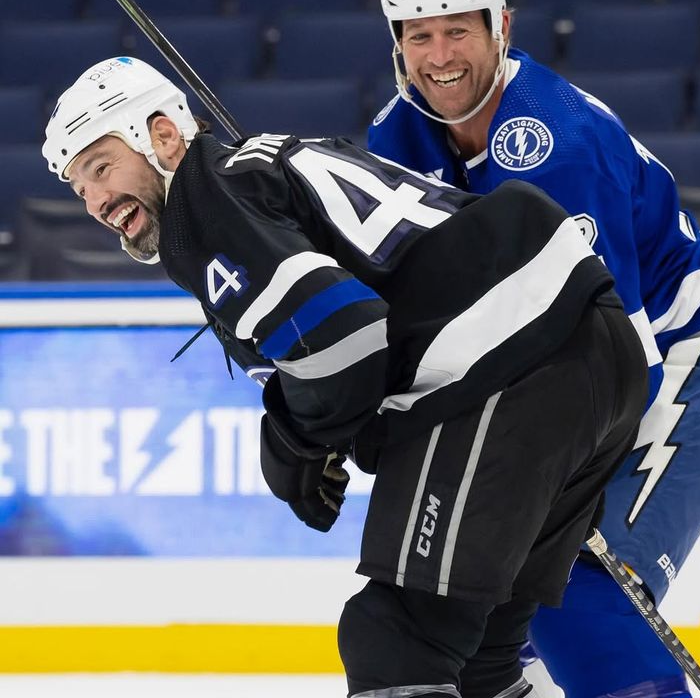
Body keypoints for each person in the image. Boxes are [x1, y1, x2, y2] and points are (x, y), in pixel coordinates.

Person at [43, 56, 648, 698]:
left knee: (396, 643)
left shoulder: (206, 203)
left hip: (510, 365)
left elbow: (341, 340)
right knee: (477, 660)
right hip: (585, 349)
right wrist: (314, 427)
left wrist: (293, 442)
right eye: (80, 188)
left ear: (163, 136)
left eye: (101, 168)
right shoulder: (252, 174)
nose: (97, 202)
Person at [367, 0, 700, 698]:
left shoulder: (557, 145)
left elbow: (618, 358)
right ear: (397, 45)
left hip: (692, 350)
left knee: (577, 587)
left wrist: (551, 479)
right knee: (485, 606)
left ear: (501, 28)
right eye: (420, 35)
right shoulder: (395, 139)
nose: (440, 54)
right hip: (567, 372)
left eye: (459, 29)